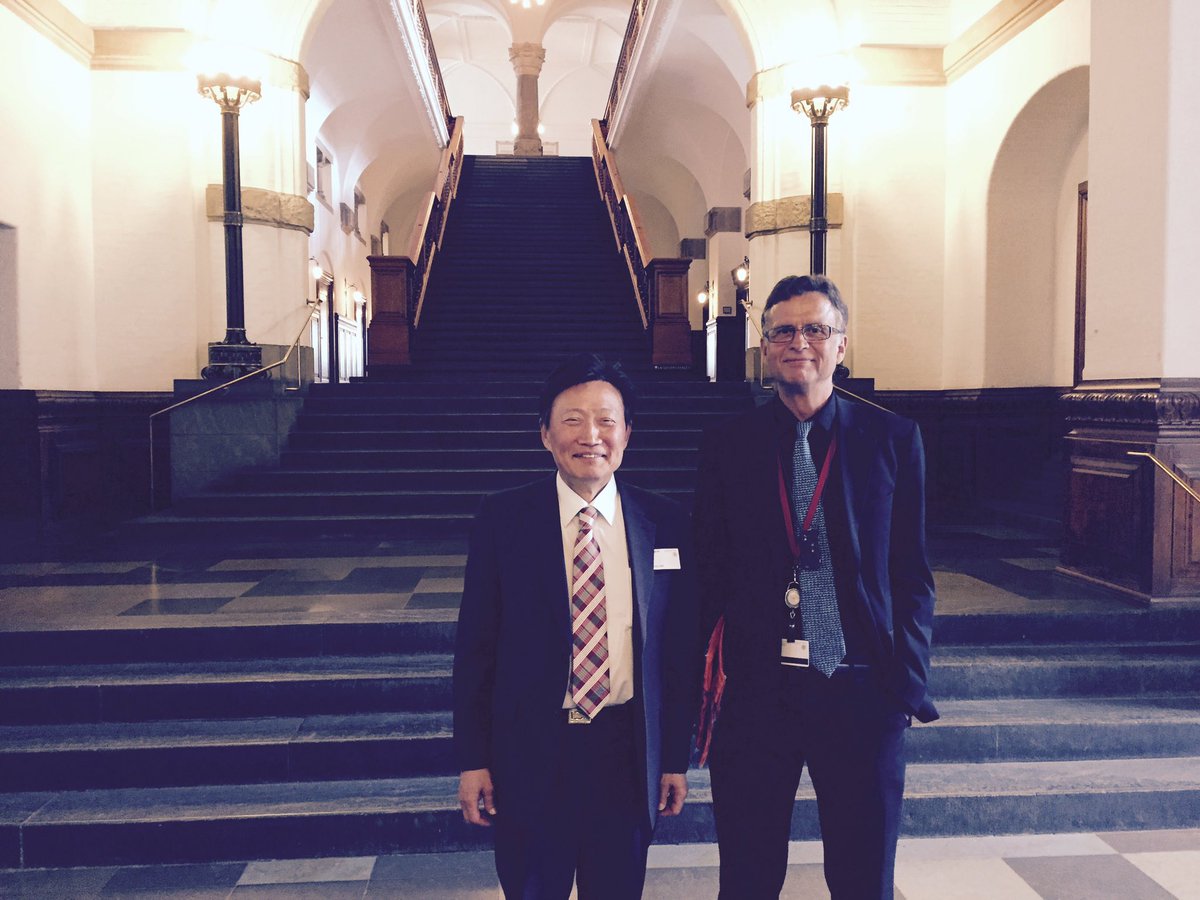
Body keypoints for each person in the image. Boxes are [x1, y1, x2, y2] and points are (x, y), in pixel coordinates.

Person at [692, 275, 938, 899]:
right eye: (783, 331)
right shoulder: (728, 445)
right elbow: (708, 571)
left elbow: (912, 573)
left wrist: (904, 682)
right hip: (757, 692)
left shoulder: (892, 440)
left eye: (815, 329)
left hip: (860, 688)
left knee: (863, 879)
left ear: (841, 344)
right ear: (765, 345)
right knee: (747, 878)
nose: (798, 342)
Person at [454, 353, 699, 899]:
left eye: (606, 420)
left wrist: (673, 758)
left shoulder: (664, 522)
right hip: (530, 754)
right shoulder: (503, 520)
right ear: (545, 434)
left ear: (627, 433)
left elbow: (677, 653)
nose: (591, 436)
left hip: (626, 754)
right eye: (572, 420)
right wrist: (473, 761)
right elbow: (476, 649)